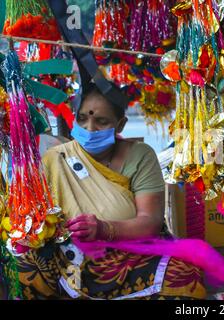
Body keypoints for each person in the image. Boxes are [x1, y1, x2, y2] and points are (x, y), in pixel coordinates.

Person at [15, 83, 208, 300]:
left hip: (133, 253)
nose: (89, 128)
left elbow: (150, 221)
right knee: (24, 266)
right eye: (82, 119)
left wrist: (103, 228)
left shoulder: (141, 156)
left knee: (184, 276)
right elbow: (38, 219)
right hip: (70, 256)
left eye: (101, 121)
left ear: (120, 124)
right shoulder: (56, 158)